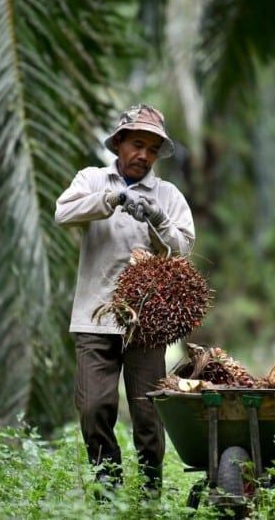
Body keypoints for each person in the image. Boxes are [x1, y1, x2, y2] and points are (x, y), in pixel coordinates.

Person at [54, 104, 195, 497]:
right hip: (92, 320)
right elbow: (63, 212)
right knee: (94, 408)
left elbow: (183, 250)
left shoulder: (168, 195)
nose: (144, 155)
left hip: (146, 326)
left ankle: (149, 496)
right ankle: (108, 493)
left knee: (149, 416)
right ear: (118, 143)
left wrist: (157, 218)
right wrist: (112, 198)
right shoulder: (91, 179)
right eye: (137, 144)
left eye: (152, 149)